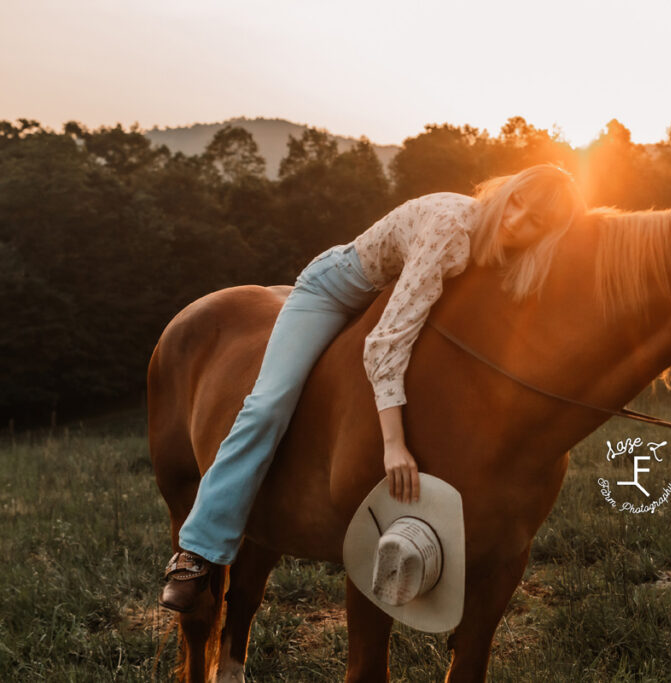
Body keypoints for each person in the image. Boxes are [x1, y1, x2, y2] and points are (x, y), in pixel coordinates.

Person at [159, 163, 586, 612]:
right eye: (516, 202)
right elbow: (386, 342)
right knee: (268, 403)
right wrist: (394, 444)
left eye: (535, 221)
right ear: (506, 190)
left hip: (388, 298)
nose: (515, 220)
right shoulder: (452, 228)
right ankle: (199, 549)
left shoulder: (513, 253)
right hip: (335, 293)